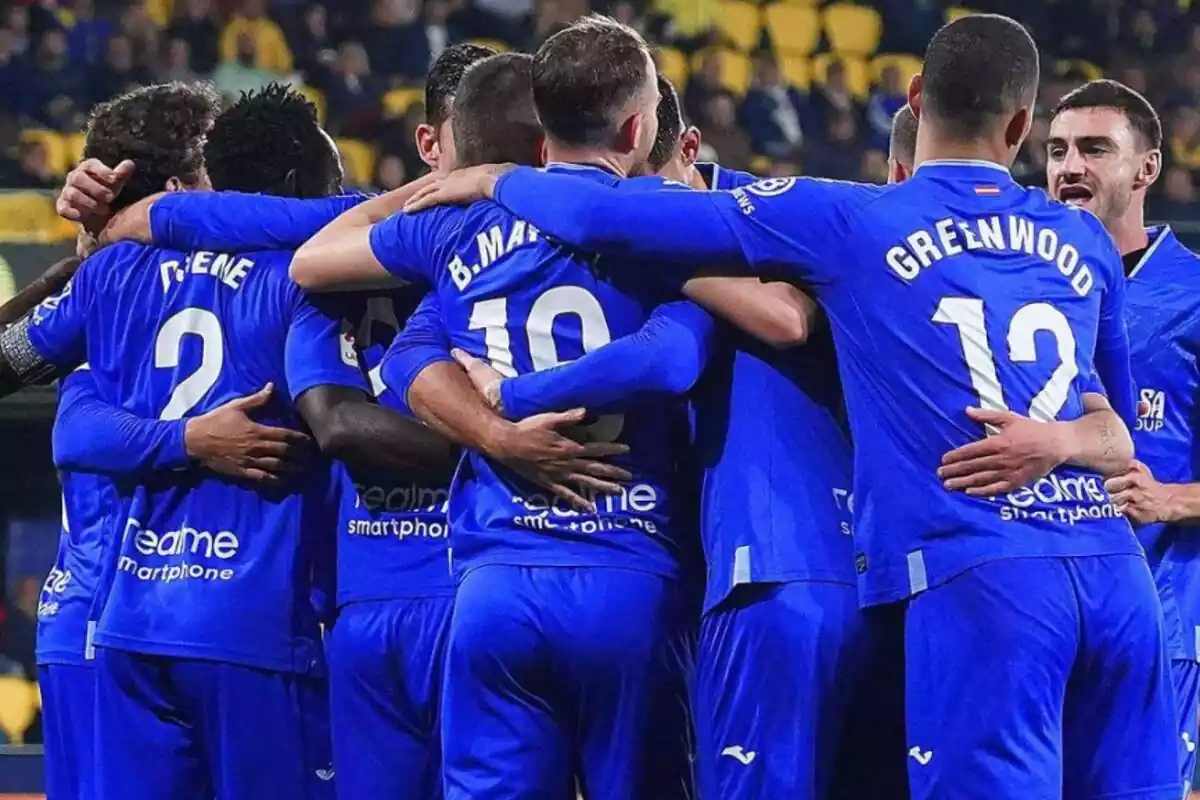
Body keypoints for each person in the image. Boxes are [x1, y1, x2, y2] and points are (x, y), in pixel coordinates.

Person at [407, 14, 1180, 798]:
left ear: (912, 97)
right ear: (1023, 123)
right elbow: (1115, 429)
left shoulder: (855, 220)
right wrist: (1057, 446)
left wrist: (496, 180)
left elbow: (603, 215)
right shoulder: (1081, 241)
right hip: (1116, 579)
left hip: (981, 574)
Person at [1047, 77, 1200, 796]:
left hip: (1161, 624)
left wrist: (1173, 498)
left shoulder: (1194, 296)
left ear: (1147, 169)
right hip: (1038, 618)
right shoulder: (1014, 286)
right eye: (1056, 150)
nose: (1069, 165)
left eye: (1093, 148)